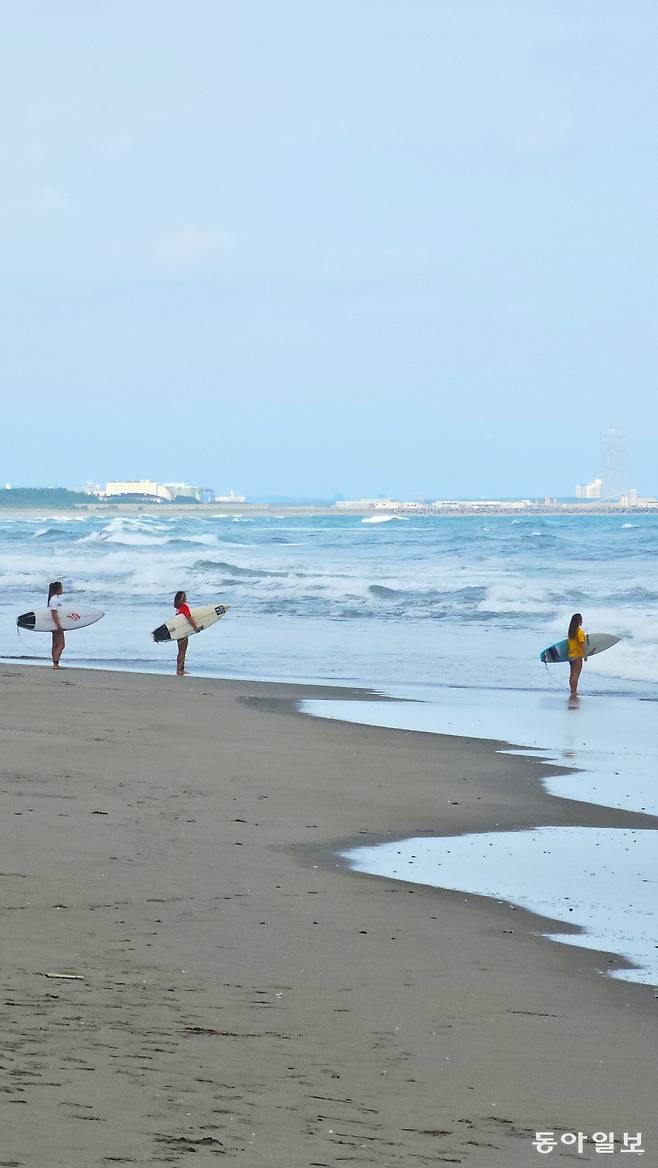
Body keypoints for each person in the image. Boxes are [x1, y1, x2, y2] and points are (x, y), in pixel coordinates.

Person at [174, 590, 201, 676]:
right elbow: (188, 618)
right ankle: (180, 670)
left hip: (178, 631)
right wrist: (195, 628)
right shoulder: (184, 607)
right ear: (181, 598)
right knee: (183, 651)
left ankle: (179, 669)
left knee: (180, 651)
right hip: (183, 632)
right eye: (184, 596)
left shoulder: (178, 608)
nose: (186, 598)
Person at [567, 612, 588, 697]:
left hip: (571, 656)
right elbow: (582, 644)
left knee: (572, 675)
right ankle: (574, 692)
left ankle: (573, 691)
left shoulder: (571, 632)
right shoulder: (579, 631)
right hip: (577, 656)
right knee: (576, 675)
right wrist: (585, 655)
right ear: (579, 621)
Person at [48, 580, 65, 669]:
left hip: (53, 625)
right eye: (62, 587)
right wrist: (58, 625)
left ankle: (55, 663)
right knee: (61, 645)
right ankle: (55, 664)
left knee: (55, 644)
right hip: (56, 625)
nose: (62, 589)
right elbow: (54, 613)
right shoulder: (54, 600)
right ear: (58, 589)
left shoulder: (52, 599)